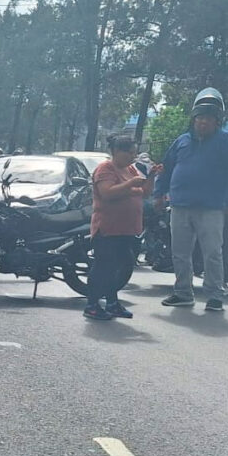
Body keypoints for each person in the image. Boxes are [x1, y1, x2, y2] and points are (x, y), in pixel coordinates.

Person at [154, 87, 228, 311]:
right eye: (199, 118)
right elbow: (166, 168)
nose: (203, 123)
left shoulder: (225, 142)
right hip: (179, 206)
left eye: (208, 119)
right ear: (193, 119)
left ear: (217, 121)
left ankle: (215, 295)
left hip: (212, 208)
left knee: (213, 253)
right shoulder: (182, 141)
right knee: (180, 252)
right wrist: (159, 194)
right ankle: (183, 292)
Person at [83, 135, 161, 320]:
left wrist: (151, 176)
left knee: (122, 265)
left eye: (134, 153)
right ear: (117, 152)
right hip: (108, 228)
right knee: (103, 266)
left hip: (126, 229)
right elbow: (107, 193)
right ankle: (92, 304)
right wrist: (130, 184)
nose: (132, 157)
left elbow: (145, 192)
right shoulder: (106, 169)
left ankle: (112, 302)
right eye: (129, 153)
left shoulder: (130, 169)